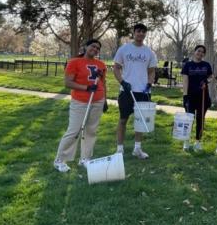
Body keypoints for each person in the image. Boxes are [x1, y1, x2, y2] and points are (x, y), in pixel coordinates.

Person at [54, 38, 107, 173]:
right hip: (80, 101)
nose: (95, 49)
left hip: (98, 100)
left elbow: (103, 83)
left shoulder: (101, 64)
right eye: (93, 46)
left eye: (98, 48)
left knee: (91, 131)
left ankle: (85, 158)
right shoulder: (74, 62)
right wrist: (86, 88)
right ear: (85, 47)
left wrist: (105, 100)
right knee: (74, 130)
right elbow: (68, 83)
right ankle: (60, 160)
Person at [112, 24, 158, 160]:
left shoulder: (149, 52)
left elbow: (152, 71)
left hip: (143, 92)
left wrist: (149, 84)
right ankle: (119, 149)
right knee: (123, 119)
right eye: (138, 31)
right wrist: (122, 82)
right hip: (127, 91)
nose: (141, 34)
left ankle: (137, 149)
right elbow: (116, 68)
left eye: (143, 32)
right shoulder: (124, 49)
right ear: (134, 32)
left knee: (140, 121)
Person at [181, 44, 213, 151]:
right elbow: (185, 81)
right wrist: (185, 96)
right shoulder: (188, 65)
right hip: (190, 96)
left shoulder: (206, 65)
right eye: (198, 51)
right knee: (189, 119)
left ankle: (198, 142)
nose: (200, 53)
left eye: (202, 52)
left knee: (200, 119)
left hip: (203, 97)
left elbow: (211, 77)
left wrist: (206, 81)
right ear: (194, 52)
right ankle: (186, 141)